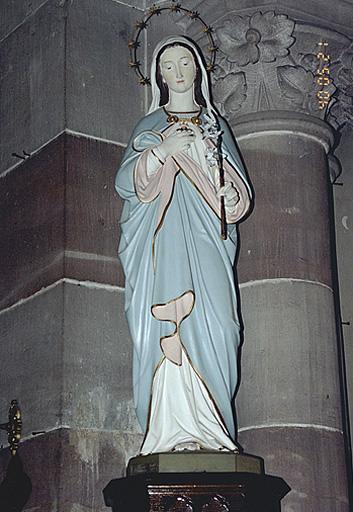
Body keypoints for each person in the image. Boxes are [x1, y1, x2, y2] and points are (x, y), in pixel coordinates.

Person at [116, 35, 252, 454]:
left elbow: (236, 189)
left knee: (220, 325)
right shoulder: (150, 126)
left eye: (185, 63)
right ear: (159, 74)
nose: (177, 72)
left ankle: (212, 431)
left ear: (198, 70)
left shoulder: (216, 125)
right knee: (166, 324)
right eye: (169, 65)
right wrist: (163, 152)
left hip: (208, 238)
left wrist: (233, 197)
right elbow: (126, 184)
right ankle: (169, 431)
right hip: (163, 242)